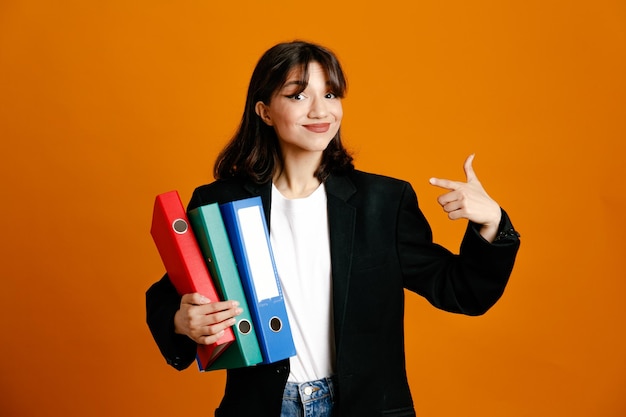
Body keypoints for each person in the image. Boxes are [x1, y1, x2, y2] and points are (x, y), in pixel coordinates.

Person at [146, 40, 520, 417]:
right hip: (263, 407)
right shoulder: (220, 202)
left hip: (362, 407)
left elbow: (461, 291)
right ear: (265, 112)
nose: (320, 110)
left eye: (330, 93)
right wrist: (181, 320)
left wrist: (492, 223)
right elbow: (169, 296)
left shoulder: (383, 202)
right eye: (298, 95)